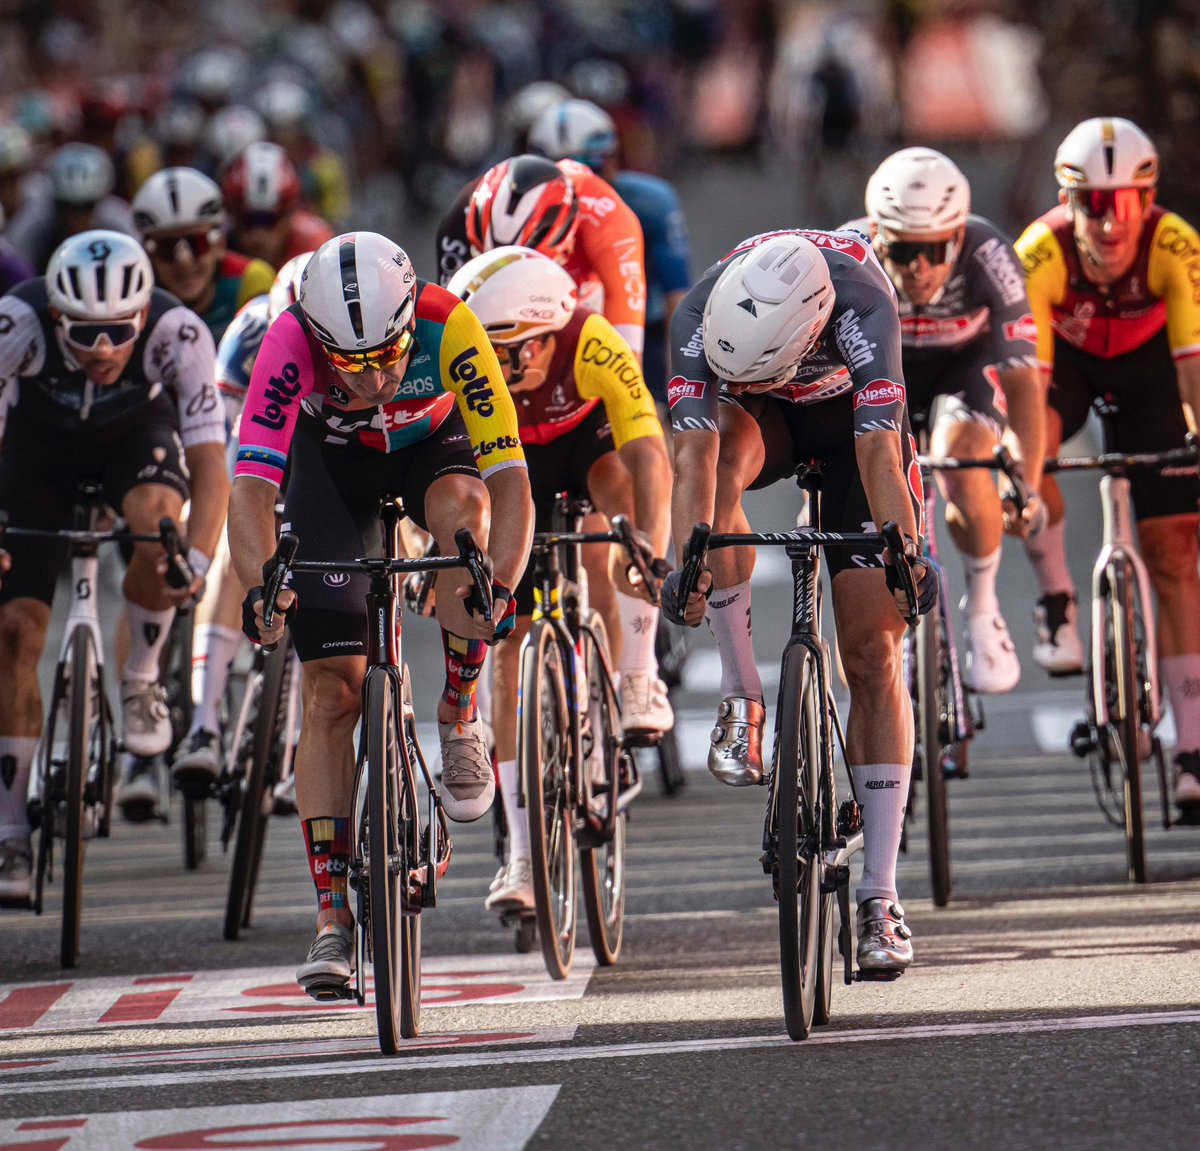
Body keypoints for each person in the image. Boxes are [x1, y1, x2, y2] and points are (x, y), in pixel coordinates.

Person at [228, 231, 533, 996]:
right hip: (331, 468)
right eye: (352, 364)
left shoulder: (449, 323)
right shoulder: (288, 340)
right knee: (331, 691)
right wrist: (260, 588)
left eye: (391, 355)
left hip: (433, 450)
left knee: (467, 529)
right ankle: (331, 913)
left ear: (409, 322)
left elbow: (510, 479)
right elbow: (251, 487)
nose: (377, 377)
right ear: (318, 339)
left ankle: (459, 711)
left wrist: (500, 583)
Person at [663, 230, 936, 973]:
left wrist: (906, 556)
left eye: (755, 374)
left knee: (873, 652)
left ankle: (880, 894)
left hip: (853, 434)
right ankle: (741, 694)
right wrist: (686, 563)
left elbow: (881, 451)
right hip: (764, 423)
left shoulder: (863, 304)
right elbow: (691, 458)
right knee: (717, 457)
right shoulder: (697, 314)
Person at [0, 231, 228, 903]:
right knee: (14, 633)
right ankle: (10, 831)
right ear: (56, 316)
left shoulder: (178, 333)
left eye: (119, 333)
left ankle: (142, 679)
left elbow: (211, 461)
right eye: (84, 334)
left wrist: (197, 559)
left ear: (143, 315)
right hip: (35, 455)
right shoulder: (16, 322)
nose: (103, 350)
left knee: (162, 529)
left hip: (135, 440)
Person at [447, 245, 672, 912]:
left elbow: (650, 456)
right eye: (486, 354)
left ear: (545, 336)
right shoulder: (465, 361)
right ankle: (521, 854)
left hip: (584, 449)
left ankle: (634, 675)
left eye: (507, 354)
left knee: (617, 520)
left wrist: (650, 546)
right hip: (507, 465)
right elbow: (438, 473)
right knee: (506, 643)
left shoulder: (591, 341)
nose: (496, 368)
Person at [1014, 117, 1200, 813]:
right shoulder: (1040, 252)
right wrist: (1026, 464)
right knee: (1028, 448)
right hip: (1070, 366)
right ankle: (1057, 601)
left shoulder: (1176, 244)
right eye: (1094, 203)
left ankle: (1193, 746)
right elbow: (1030, 387)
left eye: (1125, 203)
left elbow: (1193, 370)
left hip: (1153, 372)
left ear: (1147, 200)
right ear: (1068, 201)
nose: (1111, 221)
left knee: (1173, 551)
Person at [849, 146, 1045, 692]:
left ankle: (982, 607)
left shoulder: (989, 253)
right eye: (904, 249)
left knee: (963, 459)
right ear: (877, 235)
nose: (919, 267)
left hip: (963, 366)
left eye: (935, 249)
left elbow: (1024, 384)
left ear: (958, 236)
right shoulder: (848, 255)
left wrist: (1025, 483)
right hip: (879, 369)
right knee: (856, 478)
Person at [171, 252, 313, 788]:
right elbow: (221, 438)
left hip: (323, 448)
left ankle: (302, 732)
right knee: (232, 549)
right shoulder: (249, 330)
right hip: (258, 442)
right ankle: (203, 723)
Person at [528, 98, 693, 414]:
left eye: (591, 168)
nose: (580, 182)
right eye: (560, 171)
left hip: (642, 332)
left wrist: (681, 396)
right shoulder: (651, 200)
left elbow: (678, 301)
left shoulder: (652, 203)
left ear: (614, 160)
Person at [435, 153, 647, 360]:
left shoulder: (610, 223)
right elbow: (447, 334)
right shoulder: (460, 216)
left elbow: (627, 355)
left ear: (566, 237)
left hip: (582, 300)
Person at [132, 167, 276, 344]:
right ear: (149, 254)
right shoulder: (133, 297)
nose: (184, 260)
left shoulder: (250, 279)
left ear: (220, 244)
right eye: (167, 248)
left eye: (197, 243)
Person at [5, 143, 136, 272]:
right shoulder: (34, 225)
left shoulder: (119, 223)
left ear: (100, 201)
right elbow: (17, 266)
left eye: (86, 207)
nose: (76, 219)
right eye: (67, 208)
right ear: (54, 203)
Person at [221, 142, 334, 271]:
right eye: (249, 220)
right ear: (232, 215)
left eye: (270, 220)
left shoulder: (316, 248)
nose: (258, 235)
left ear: (290, 214)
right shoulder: (215, 243)